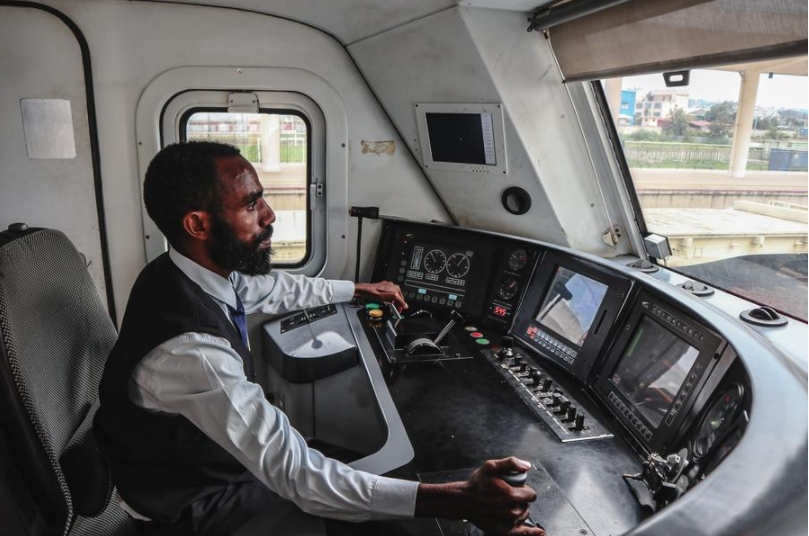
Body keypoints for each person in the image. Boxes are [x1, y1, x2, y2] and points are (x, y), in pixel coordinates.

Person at [95, 141, 544, 536]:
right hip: (191, 505)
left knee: (357, 470)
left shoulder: (183, 271)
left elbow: (271, 288)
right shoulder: (191, 352)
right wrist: (462, 499)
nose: (270, 215)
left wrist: (358, 290)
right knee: (376, 509)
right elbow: (299, 477)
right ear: (198, 224)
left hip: (209, 465)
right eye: (252, 205)